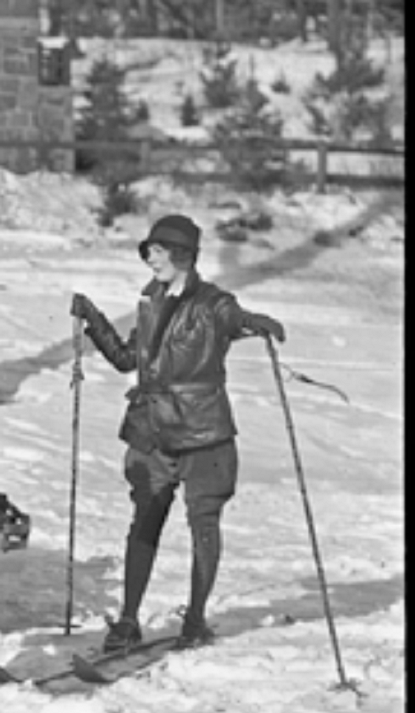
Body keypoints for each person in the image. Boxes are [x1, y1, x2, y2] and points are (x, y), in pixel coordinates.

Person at [70, 213, 285, 651]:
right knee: (144, 520)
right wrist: (93, 319)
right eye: (149, 251)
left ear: (184, 255)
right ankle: (128, 621)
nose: (151, 259)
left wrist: (254, 321)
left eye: (159, 251)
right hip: (153, 432)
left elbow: (233, 317)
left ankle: (196, 620)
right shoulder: (150, 301)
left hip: (204, 433)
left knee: (203, 523)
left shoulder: (211, 303)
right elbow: (129, 359)